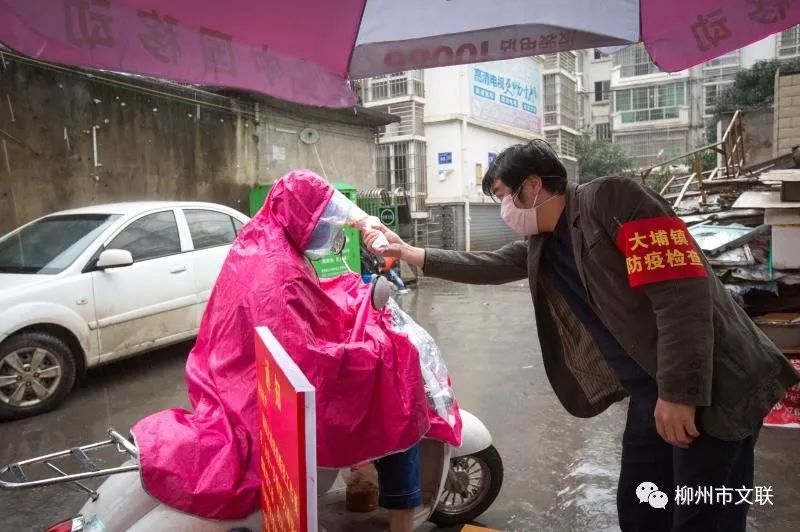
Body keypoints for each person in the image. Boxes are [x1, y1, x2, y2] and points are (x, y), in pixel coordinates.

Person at [362, 140, 800, 532]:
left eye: (501, 197)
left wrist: (679, 393)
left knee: (705, 513)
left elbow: (681, 294)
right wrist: (411, 253)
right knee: (643, 506)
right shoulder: (544, 242)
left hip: (710, 382)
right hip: (652, 393)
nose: (503, 210)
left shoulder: (616, 200)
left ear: (531, 186)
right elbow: (489, 264)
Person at [132, 170, 460, 531]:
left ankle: (362, 474)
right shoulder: (280, 269)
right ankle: (397, 519)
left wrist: (352, 278)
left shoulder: (260, 241)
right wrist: (378, 348)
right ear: (303, 215)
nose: (328, 229)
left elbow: (301, 315)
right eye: (323, 220)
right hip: (265, 393)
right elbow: (303, 355)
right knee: (398, 404)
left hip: (232, 374)